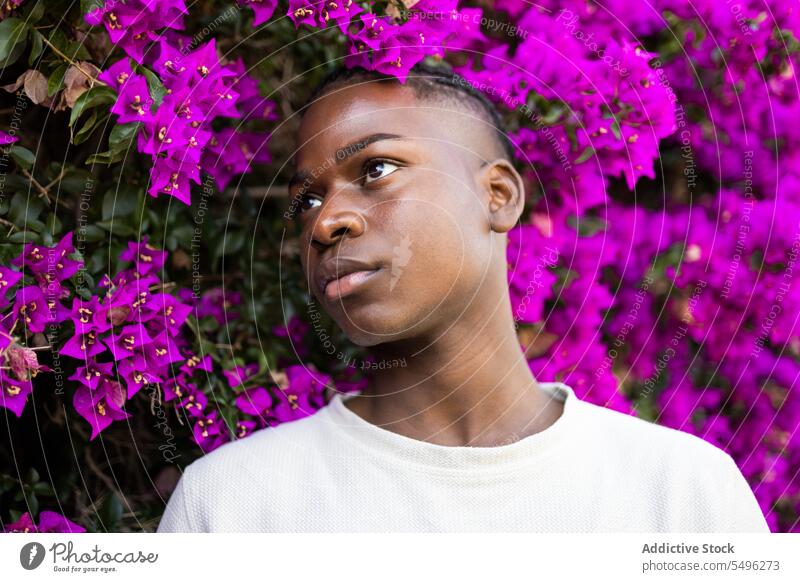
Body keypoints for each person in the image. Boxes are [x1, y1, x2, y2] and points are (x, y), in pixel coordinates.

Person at [157, 62, 770, 533]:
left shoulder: (682, 493)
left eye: (375, 170)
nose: (325, 223)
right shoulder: (232, 503)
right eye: (308, 200)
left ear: (498, 196)